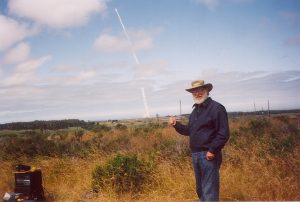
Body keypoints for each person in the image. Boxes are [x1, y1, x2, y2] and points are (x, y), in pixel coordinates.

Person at [168, 80, 230, 201]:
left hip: (208, 155)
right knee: (200, 189)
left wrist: (212, 150)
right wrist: (176, 124)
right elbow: (189, 131)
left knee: (209, 191)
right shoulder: (195, 111)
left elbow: (223, 133)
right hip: (196, 155)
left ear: (206, 91)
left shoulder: (216, 108)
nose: (197, 93)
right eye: (194, 91)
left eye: (200, 90)